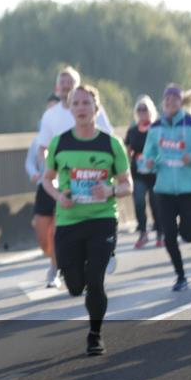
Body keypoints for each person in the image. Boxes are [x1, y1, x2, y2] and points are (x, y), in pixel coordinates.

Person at [42, 84, 131, 355]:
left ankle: (95, 334)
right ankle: (82, 264)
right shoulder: (60, 142)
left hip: (101, 218)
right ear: (70, 108)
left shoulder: (111, 143)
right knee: (74, 287)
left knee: (95, 280)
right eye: (76, 103)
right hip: (69, 221)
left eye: (86, 103)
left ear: (96, 108)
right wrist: (59, 196)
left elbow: (128, 185)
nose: (81, 108)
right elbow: (47, 180)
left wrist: (110, 190)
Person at [35, 67, 114, 288]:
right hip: (56, 177)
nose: (66, 86)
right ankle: (58, 259)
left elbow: (109, 138)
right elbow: (42, 147)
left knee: (69, 223)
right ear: (56, 87)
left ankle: (58, 266)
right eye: (62, 82)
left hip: (89, 176)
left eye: (70, 82)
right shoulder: (50, 115)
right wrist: (46, 166)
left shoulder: (91, 108)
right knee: (42, 228)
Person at [143, 84, 191, 291]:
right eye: (167, 98)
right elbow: (147, 155)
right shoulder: (155, 127)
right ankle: (181, 276)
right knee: (169, 236)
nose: (170, 101)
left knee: (187, 233)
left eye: (175, 98)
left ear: (181, 102)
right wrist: (148, 163)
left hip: (189, 189)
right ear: (163, 101)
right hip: (164, 190)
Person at [125, 95, 162, 249]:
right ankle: (143, 233)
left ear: (151, 110)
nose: (141, 112)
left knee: (155, 203)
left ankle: (160, 233)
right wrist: (130, 163)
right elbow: (127, 150)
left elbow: (164, 147)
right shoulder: (132, 131)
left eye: (144, 109)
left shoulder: (157, 128)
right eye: (139, 109)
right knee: (139, 202)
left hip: (155, 172)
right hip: (138, 173)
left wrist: (155, 159)